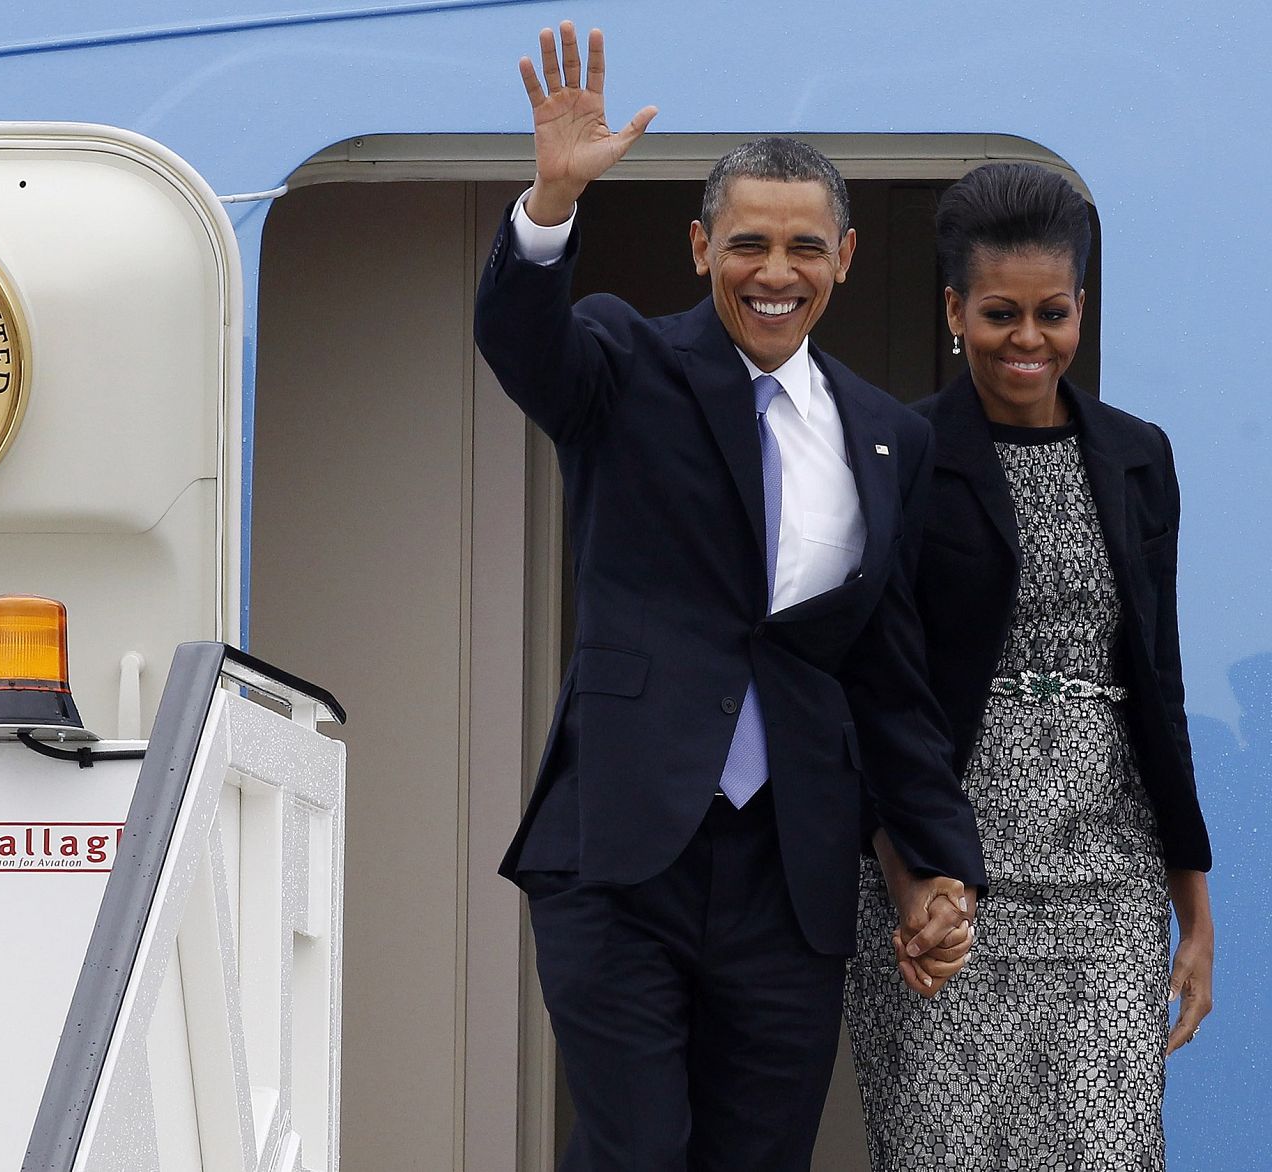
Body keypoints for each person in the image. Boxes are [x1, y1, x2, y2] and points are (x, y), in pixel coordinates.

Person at [473, 22, 987, 1170]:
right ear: (702, 245)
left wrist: (937, 858)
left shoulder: (886, 437)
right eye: (747, 242)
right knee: (638, 1148)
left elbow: (885, 675)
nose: (774, 272)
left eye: (803, 246)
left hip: (788, 870)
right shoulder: (621, 362)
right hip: (622, 845)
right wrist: (551, 203)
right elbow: (522, 342)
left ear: (843, 256)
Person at [845, 161, 1215, 1169]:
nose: (1027, 339)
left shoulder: (1139, 457)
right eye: (999, 313)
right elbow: (875, 688)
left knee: (1106, 1148)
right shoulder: (899, 453)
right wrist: (909, 876)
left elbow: (1160, 682)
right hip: (949, 887)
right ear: (953, 310)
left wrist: (1193, 909)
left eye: (1052, 313)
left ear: (1080, 309)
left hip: (1109, 881)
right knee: (945, 1152)